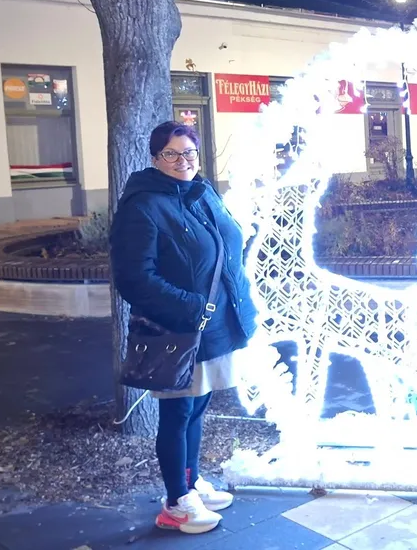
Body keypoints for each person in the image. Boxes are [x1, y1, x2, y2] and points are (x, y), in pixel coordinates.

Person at [109, 121, 258, 535]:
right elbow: (134, 278)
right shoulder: (143, 206)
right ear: (155, 158)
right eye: (171, 154)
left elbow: (227, 248)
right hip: (180, 329)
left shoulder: (202, 192)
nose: (182, 161)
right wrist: (192, 307)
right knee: (177, 413)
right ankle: (176, 501)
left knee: (198, 406)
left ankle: (191, 483)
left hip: (215, 325)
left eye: (189, 152)